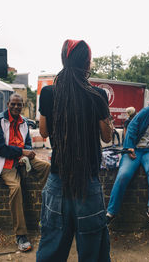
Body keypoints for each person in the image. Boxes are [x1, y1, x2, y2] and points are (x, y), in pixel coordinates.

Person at [36, 40, 113, 262]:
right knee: (93, 249)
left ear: (64, 60)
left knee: (52, 244)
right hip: (87, 181)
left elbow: (43, 132)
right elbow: (107, 136)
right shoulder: (98, 95)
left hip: (58, 179)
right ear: (87, 64)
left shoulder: (49, 92)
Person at [0, 93, 50, 252]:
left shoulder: (24, 122)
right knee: (16, 188)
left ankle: (47, 214)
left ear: (22, 106)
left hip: (20, 159)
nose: (16, 107)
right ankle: (21, 235)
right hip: (4, 161)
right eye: (13, 104)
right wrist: (21, 152)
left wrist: (25, 154)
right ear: (8, 104)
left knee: (47, 167)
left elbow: (27, 145)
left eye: (19, 105)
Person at [106, 94, 149, 228]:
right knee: (123, 175)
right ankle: (110, 212)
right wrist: (129, 146)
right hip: (135, 150)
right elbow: (132, 126)